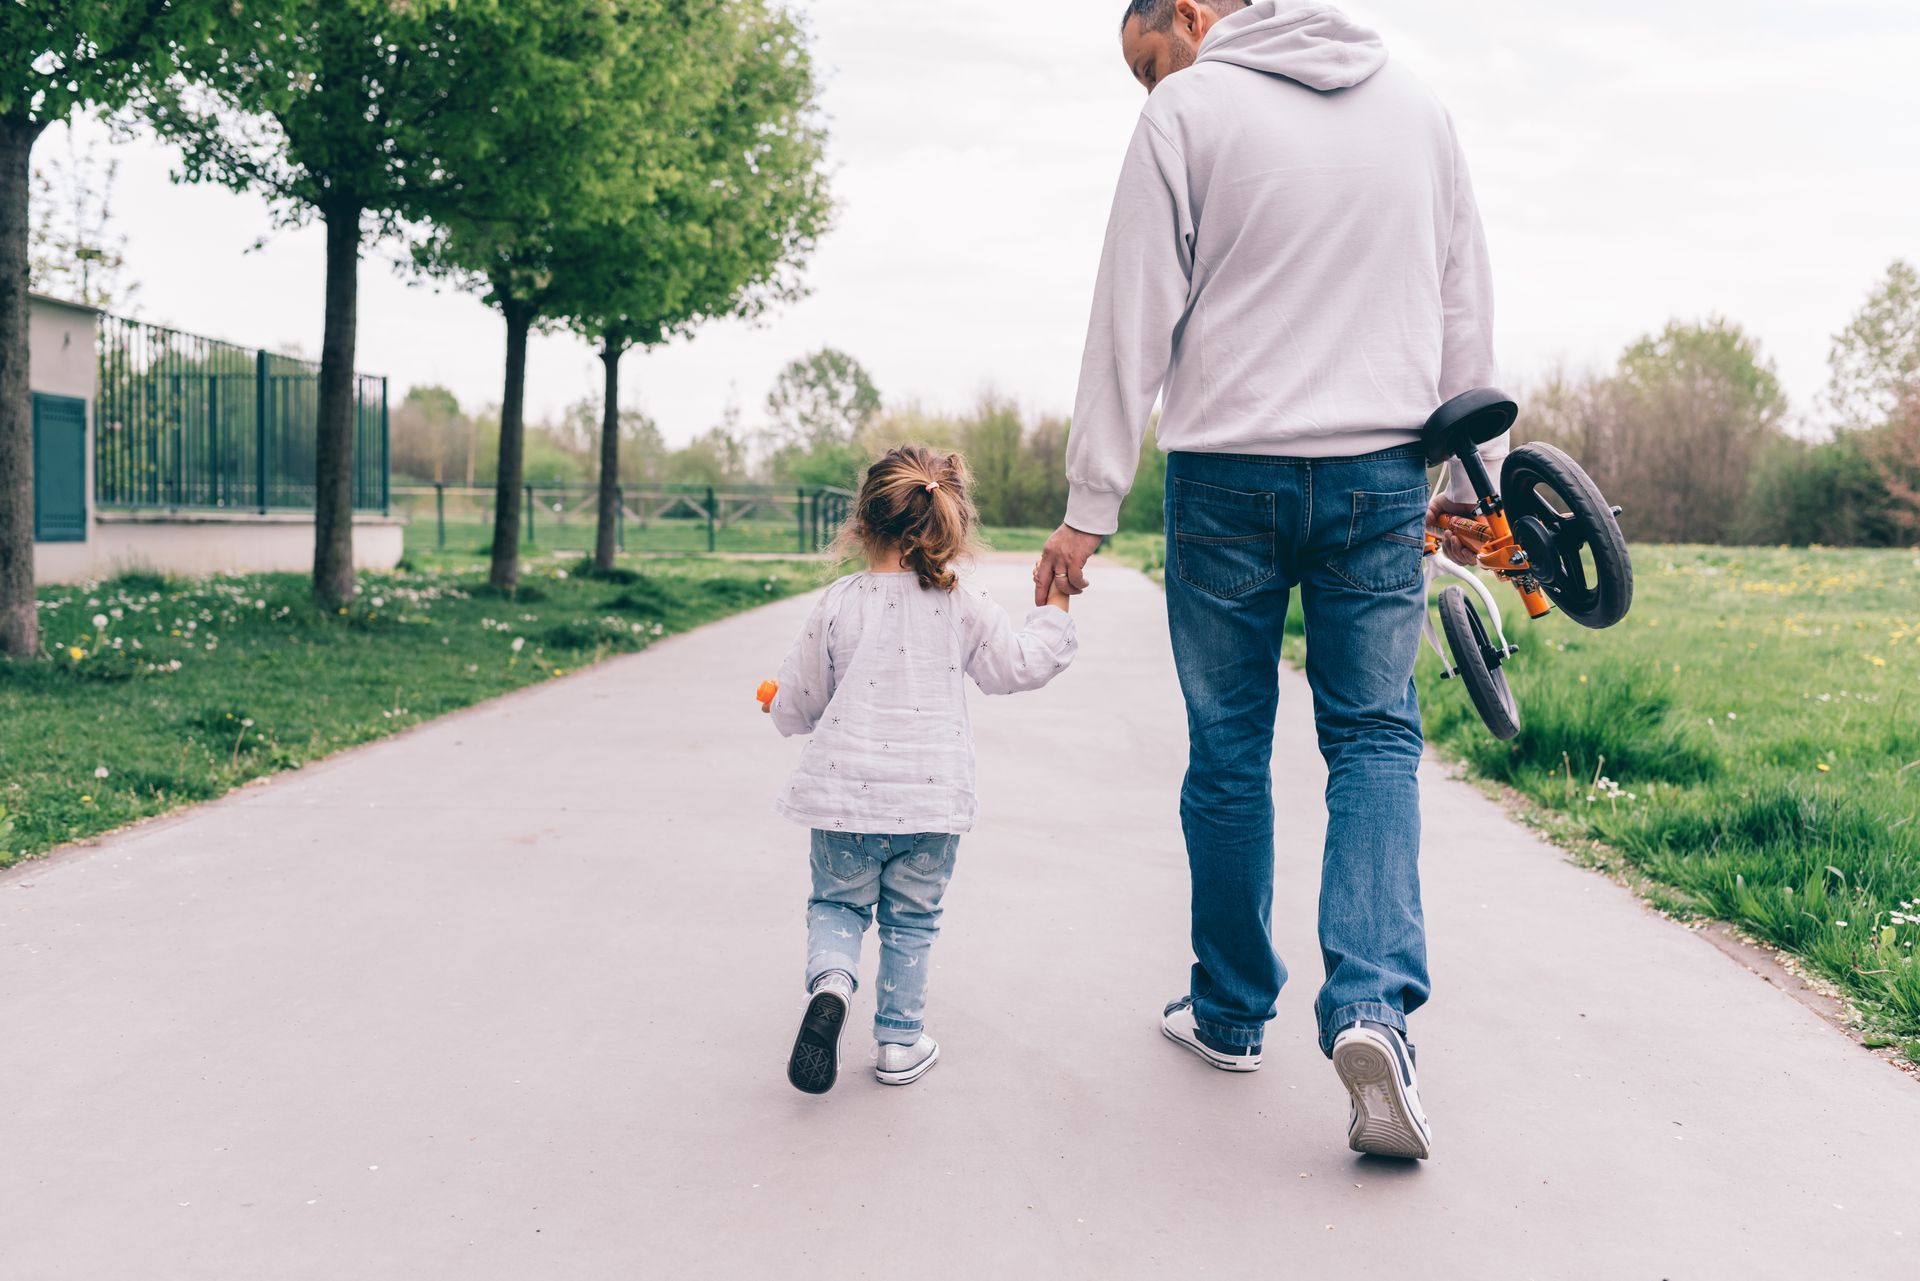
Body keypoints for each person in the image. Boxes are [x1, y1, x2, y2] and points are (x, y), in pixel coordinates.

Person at [1032, 0, 1507, 1160]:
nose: (1152, 86)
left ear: (1188, 14)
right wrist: (1482, 479)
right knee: (1376, 738)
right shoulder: (1417, 101)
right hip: (1379, 477)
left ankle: (1232, 1011)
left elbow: (1127, 318)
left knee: (1231, 748)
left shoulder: (1187, 115)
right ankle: (1372, 1013)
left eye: (1149, 62)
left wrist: (1089, 508)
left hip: (1228, 480)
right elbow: (1464, 306)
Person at [768, 445, 1078, 1094]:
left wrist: (778, 708)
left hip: (843, 803)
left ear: (861, 523)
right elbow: (1017, 665)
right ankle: (899, 1042)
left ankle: (831, 986)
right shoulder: (959, 602)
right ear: (946, 521)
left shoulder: (837, 602)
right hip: (930, 805)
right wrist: (1053, 607)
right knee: (911, 922)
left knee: (838, 906)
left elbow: (801, 700)